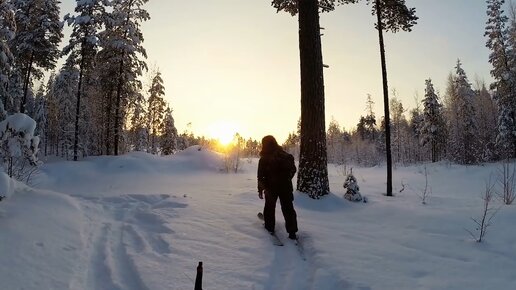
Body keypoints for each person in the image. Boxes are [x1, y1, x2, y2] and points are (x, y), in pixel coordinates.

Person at [257, 135, 298, 239]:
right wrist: (287, 179)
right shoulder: (286, 155)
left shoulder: (264, 158)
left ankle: (269, 227)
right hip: (286, 187)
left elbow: (260, 176)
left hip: (271, 187)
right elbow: (293, 170)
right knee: (288, 208)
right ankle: (292, 232)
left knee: (269, 207)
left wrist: (260, 189)